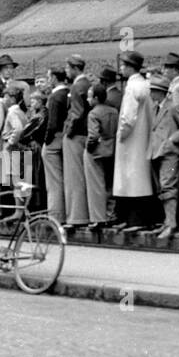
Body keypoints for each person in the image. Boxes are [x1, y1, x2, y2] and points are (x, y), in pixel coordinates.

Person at [149, 56, 179, 240]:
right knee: (163, 188)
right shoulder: (157, 107)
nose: (151, 94)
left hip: (171, 153)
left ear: (160, 92)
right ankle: (167, 221)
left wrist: (172, 140)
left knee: (169, 187)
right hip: (160, 153)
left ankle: (171, 224)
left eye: (154, 91)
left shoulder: (172, 107)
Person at [113, 50, 154, 229]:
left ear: (130, 67)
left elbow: (127, 118)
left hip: (131, 140)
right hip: (144, 136)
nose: (121, 68)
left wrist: (121, 135)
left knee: (129, 180)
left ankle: (133, 220)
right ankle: (143, 219)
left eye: (123, 65)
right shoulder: (146, 85)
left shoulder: (131, 87)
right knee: (141, 178)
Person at [63, 55, 91, 230]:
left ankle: (76, 217)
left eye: (67, 68)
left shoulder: (75, 86)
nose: (66, 71)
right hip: (85, 134)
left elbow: (77, 113)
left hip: (75, 136)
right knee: (82, 176)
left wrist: (69, 131)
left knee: (74, 178)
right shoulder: (87, 84)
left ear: (74, 68)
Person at [85, 82, 118, 230]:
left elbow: (93, 134)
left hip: (98, 151)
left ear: (96, 98)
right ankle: (111, 214)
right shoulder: (114, 111)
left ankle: (99, 218)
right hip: (112, 148)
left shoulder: (93, 113)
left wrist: (89, 147)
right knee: (110, 183)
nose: (87, 99)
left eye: (90, 97)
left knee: (97, 184)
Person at [40, 69, 70, 222]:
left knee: (53, 182)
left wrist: (46, 140)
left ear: (53, 78)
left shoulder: (54, 97)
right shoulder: (68, 93)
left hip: (53, 140)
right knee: (66, 178)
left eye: (48, 77)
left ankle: (56, 216)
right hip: (66, 139)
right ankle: (66, 213)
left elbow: (51, 124)